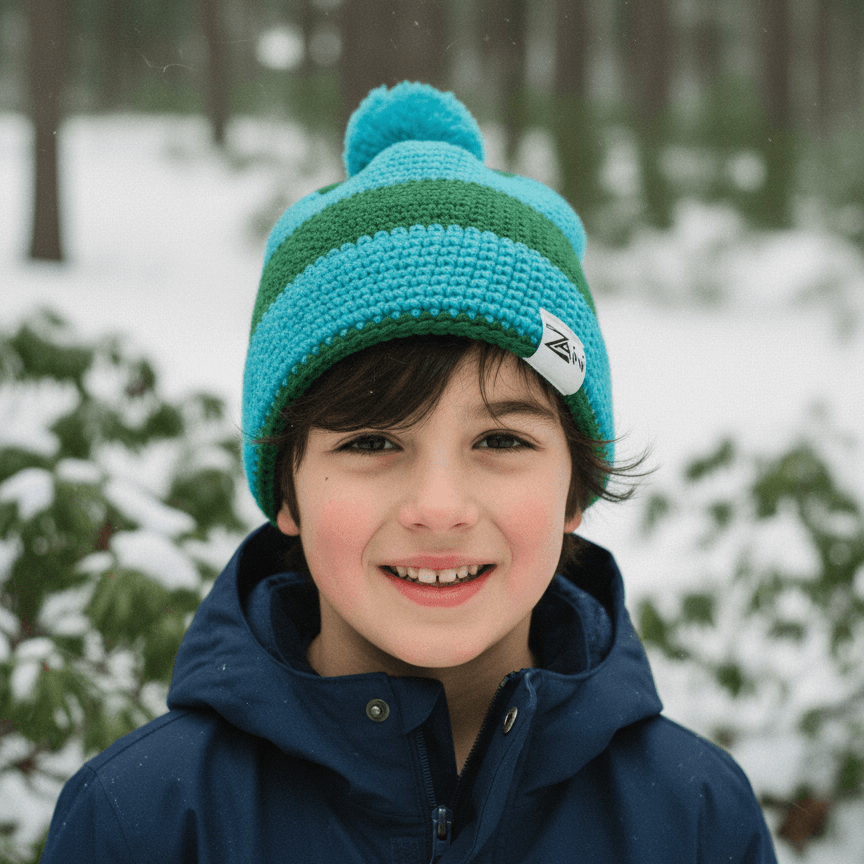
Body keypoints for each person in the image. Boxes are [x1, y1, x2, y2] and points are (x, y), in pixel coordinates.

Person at [41, 82, 777, 863]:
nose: (438, 508)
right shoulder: (147, 821)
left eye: (499, 443)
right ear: (287, 489)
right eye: (370, 443)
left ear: (576, 488)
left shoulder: (695, 819)